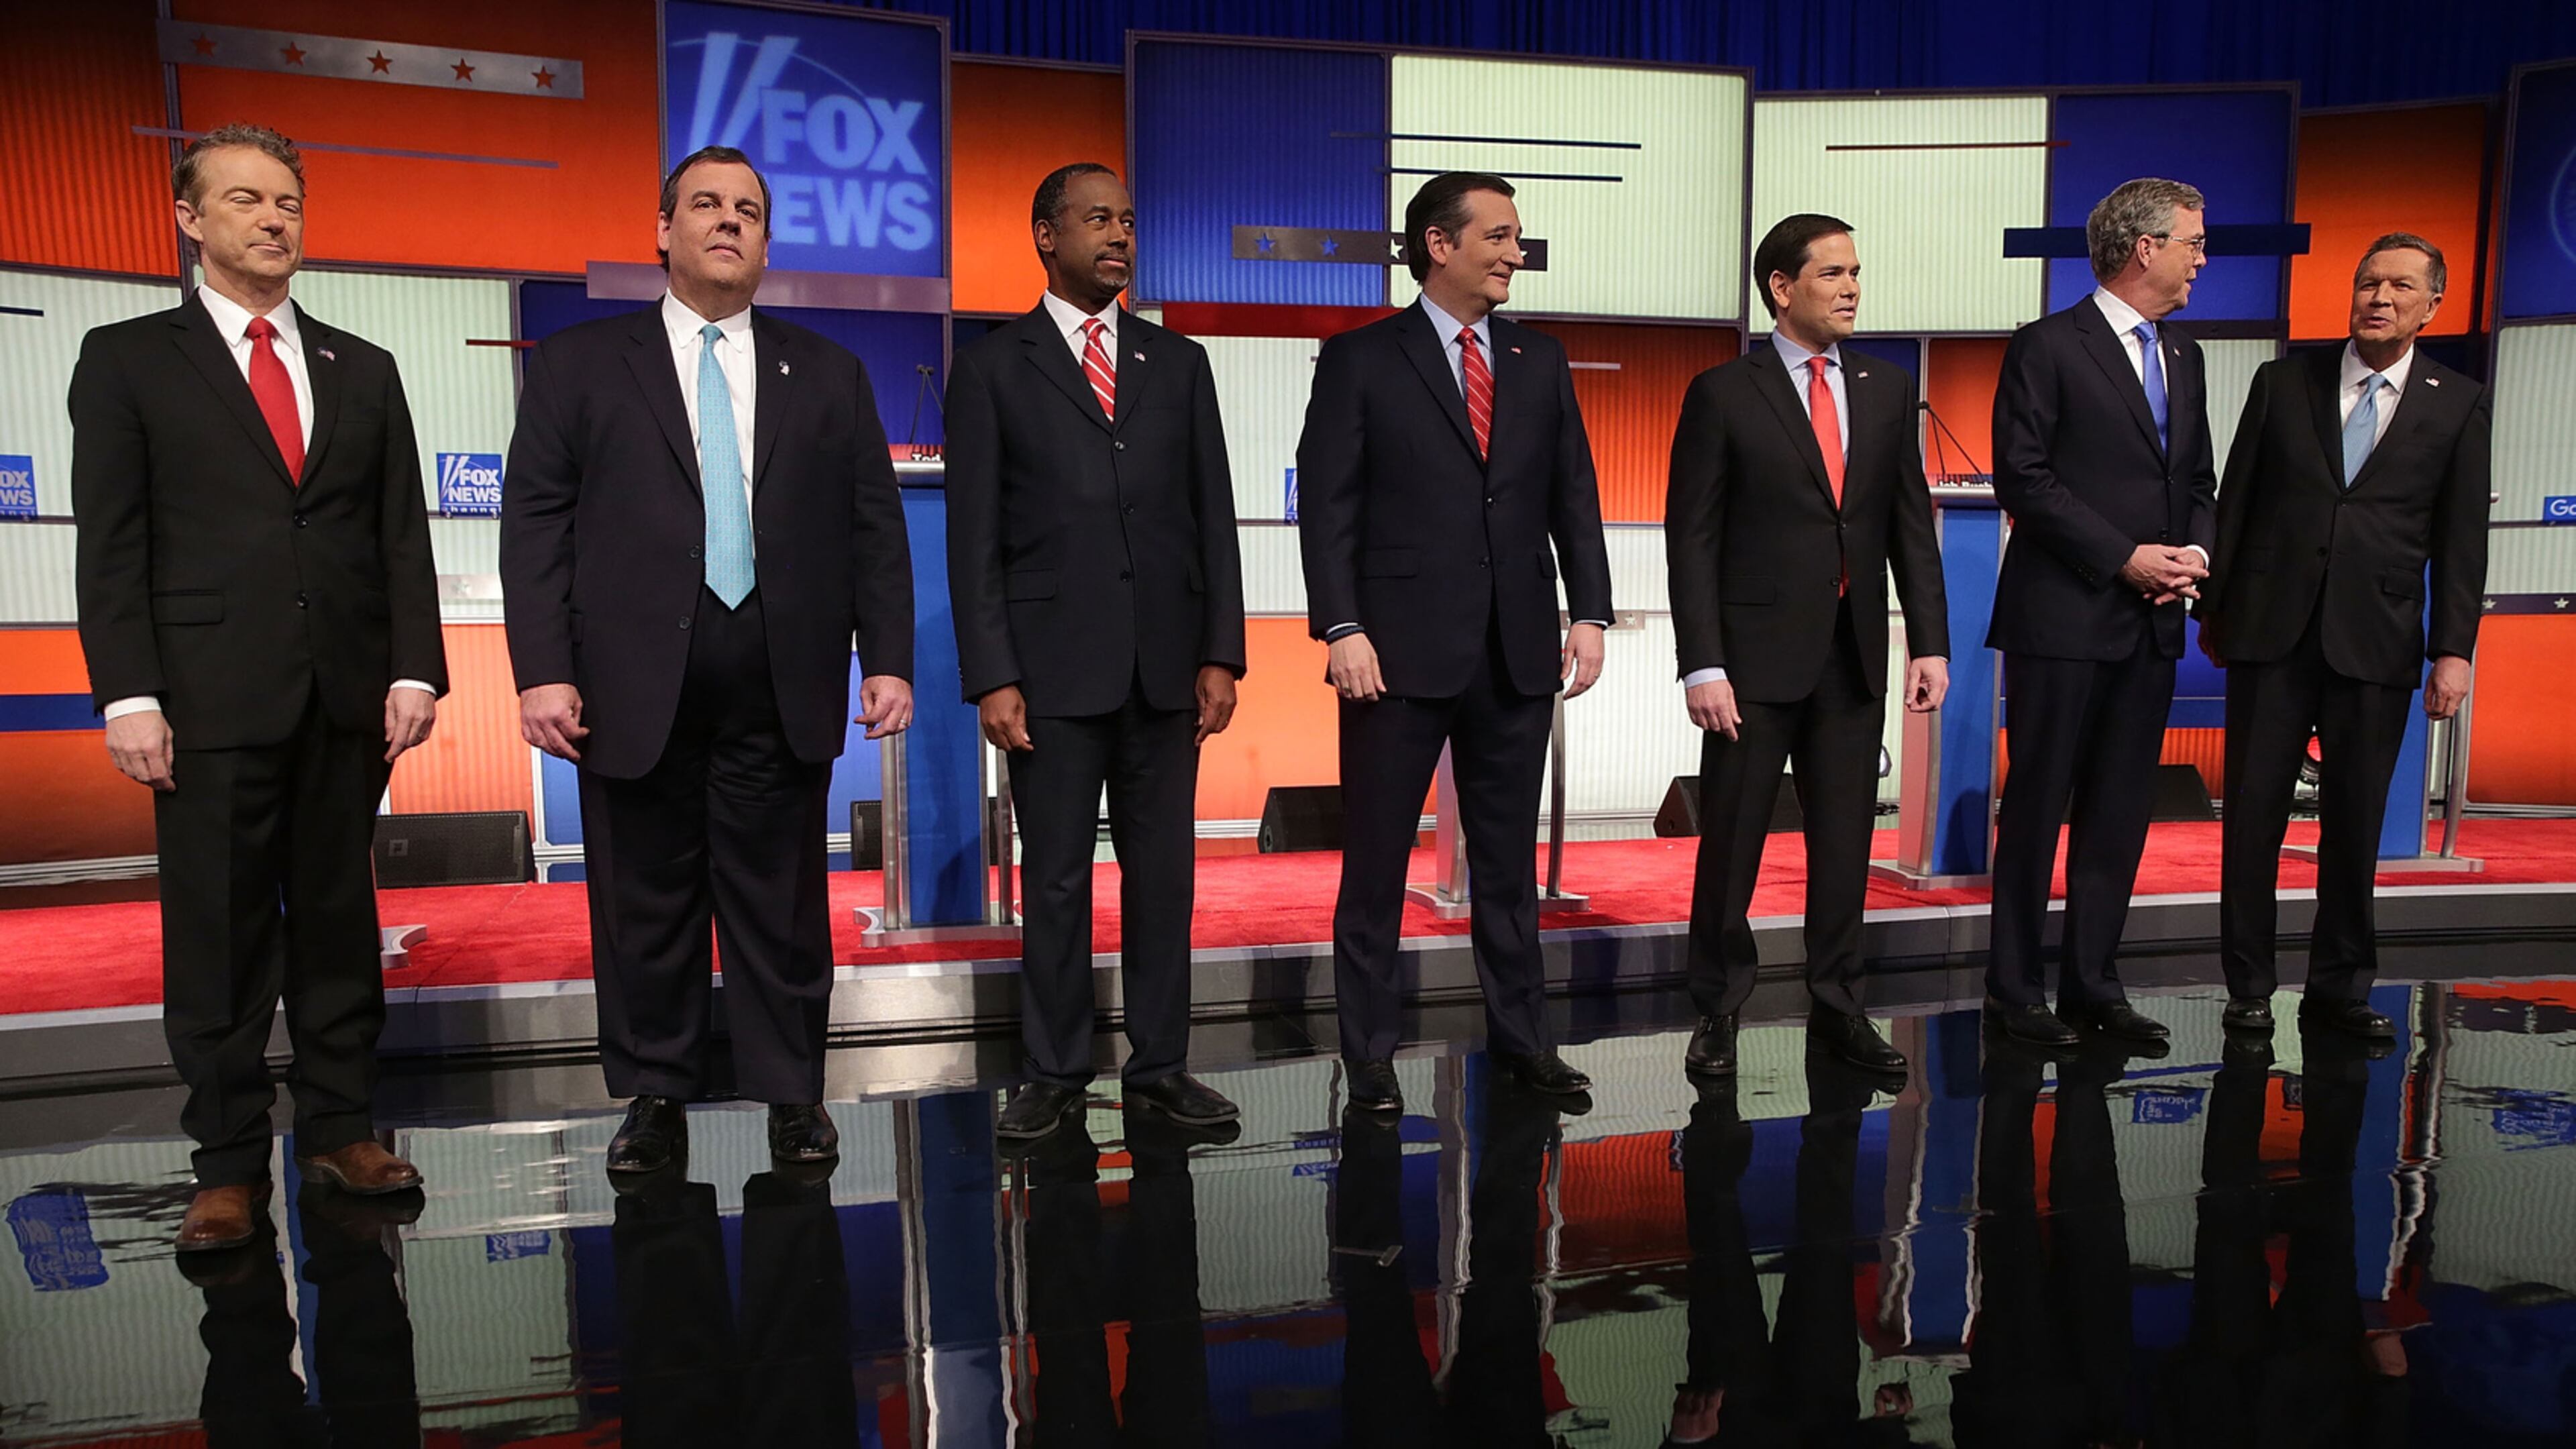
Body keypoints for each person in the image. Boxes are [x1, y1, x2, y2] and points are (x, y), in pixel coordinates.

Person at [500, 145, 915, 1175]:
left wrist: (889, 658)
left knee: (783, 904)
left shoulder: (830, 373)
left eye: (749, 211)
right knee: (643, 903)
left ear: (766, 241)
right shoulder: (580, 365)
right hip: (630, 682)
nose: (729, 222)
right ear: (663, 229)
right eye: (707, 205)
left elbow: (873, 528)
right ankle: (655, 1096)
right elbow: (536, 525)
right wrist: (542, 668)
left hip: (780, 677)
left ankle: (793, 1094)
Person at [70, 123, 446, 1252]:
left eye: (287, 201)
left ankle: (341, 1129)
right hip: (205, 697)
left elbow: (398, 534)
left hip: (343, 693)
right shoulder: (128, 358)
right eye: (245, 199)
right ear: (190, 218)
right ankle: (228, 1162)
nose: (273, 219)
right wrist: (127, 694)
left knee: (337, 923)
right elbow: (112, 544)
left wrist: (414, 667)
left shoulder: (361, 366)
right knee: (220, 937)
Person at [1295, 171, 1615, 1114]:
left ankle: (1525, 1042)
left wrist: (1589, 612)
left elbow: (1573, 494)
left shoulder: (1538, 359)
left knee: (1509, 869)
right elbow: (1329, 505)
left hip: (1515, 647)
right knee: (1377, 866)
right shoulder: (1360, 358)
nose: (1517, 252)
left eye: (1517, 237)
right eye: (1500, 236)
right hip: (1393, 654)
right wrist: (1342, 626)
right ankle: (1370, 1056)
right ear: (1440, 245)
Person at [946, 162, 1248, 1142]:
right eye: (1097, 219)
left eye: (1127, 220)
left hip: (1167, 670)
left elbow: (1212, 518)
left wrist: (1222, 653)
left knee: (1165, 879)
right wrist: (992, 673)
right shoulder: (994, 368)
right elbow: (973, 538)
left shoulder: (1179, 364)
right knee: (1058, 881)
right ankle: (1055, 1071)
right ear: (1047, 234)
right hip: (1050, 671)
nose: (1119, 236)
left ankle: (1161, 1066)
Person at [1666, 213, 1950, 1080]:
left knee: (1845, 844)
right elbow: (1693, 539)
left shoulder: (1886, 387)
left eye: (1855, 272)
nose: (1852, 288)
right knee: (1733, 843)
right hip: (1751, 661)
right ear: (1782, 288)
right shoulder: (1724, 393)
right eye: (1833, 274)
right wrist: (1702, 662)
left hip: (1852, 654)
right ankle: (1719, 1007)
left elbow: (1908, 523)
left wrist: (1929, 643)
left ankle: (1838, 1006)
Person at [2198, 234, 2491, 1040]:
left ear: (2433, 305)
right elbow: (2236, 501)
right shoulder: (2283, 381)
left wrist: (2453, 649)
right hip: (2270, 633)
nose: (2379, 298)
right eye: (2368, 283)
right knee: (2252, 819)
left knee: (2355, 825)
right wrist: (2214, 612)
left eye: (2400, 286)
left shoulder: (2458, 402)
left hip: (2377, 639)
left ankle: (2340, 990)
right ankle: (2248, 986)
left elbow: (2461, 540)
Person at [1984, 177, 2217, 1049]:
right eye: (2193, 242)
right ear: (2145, 246)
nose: (2202, 259)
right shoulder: (2048, 346)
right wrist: (2124, 556)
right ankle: (2014, 992)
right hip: (2063, 618)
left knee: (2119, 812)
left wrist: (2194, 556)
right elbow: (2024, 477)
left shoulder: (2185, 355)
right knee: (2038, 805)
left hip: (2152, 621)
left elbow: (2199, 481)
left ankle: (2093, 986)